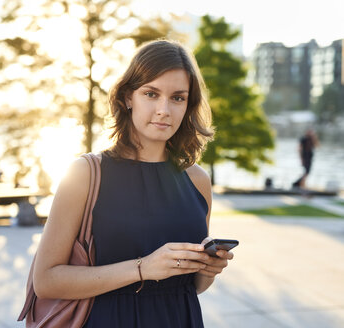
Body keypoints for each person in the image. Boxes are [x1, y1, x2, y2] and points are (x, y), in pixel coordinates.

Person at [32, 40, 234, 327]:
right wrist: (143, 268)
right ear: (128, 97)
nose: (164, 109)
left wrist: (208, 270)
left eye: (178, 98)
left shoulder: (197, 180)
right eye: (151, 94)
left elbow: (194, 287)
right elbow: (46, 281)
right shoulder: (85, 174)